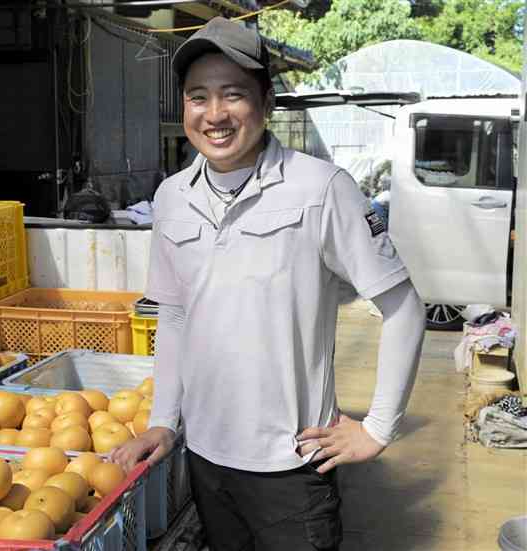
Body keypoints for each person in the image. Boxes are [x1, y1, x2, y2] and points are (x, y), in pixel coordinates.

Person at [111, 17, 426, 551]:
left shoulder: (322, 188)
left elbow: (403, 307)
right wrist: (165, 420)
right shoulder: (171, 197)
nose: (214, 115)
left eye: (233, 95)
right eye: (198, 97)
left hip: (293, 466)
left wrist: (377, 427)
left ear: (266, 101)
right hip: (206, 457)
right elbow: (175, 312)